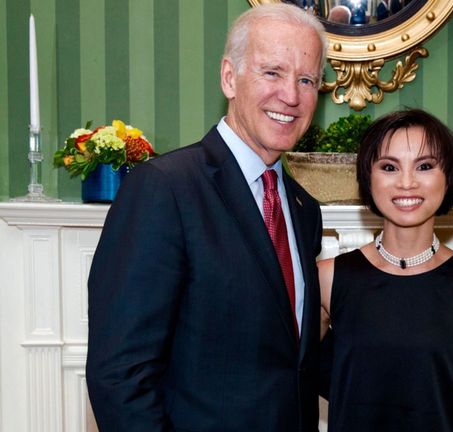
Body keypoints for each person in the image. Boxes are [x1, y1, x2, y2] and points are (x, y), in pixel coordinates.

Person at [86, 4, 328, 431]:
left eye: (306, 80)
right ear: (229, 77)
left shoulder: (304, 209)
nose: (290, 96)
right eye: (272, 72)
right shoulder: (164, 188)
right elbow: (120, 373)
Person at [318, 109, 453, 432]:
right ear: (368, 178)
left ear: (448, 177)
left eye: (425, 166)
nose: (406, 182)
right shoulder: (329, 278)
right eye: (389, 167)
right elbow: (293, 368)